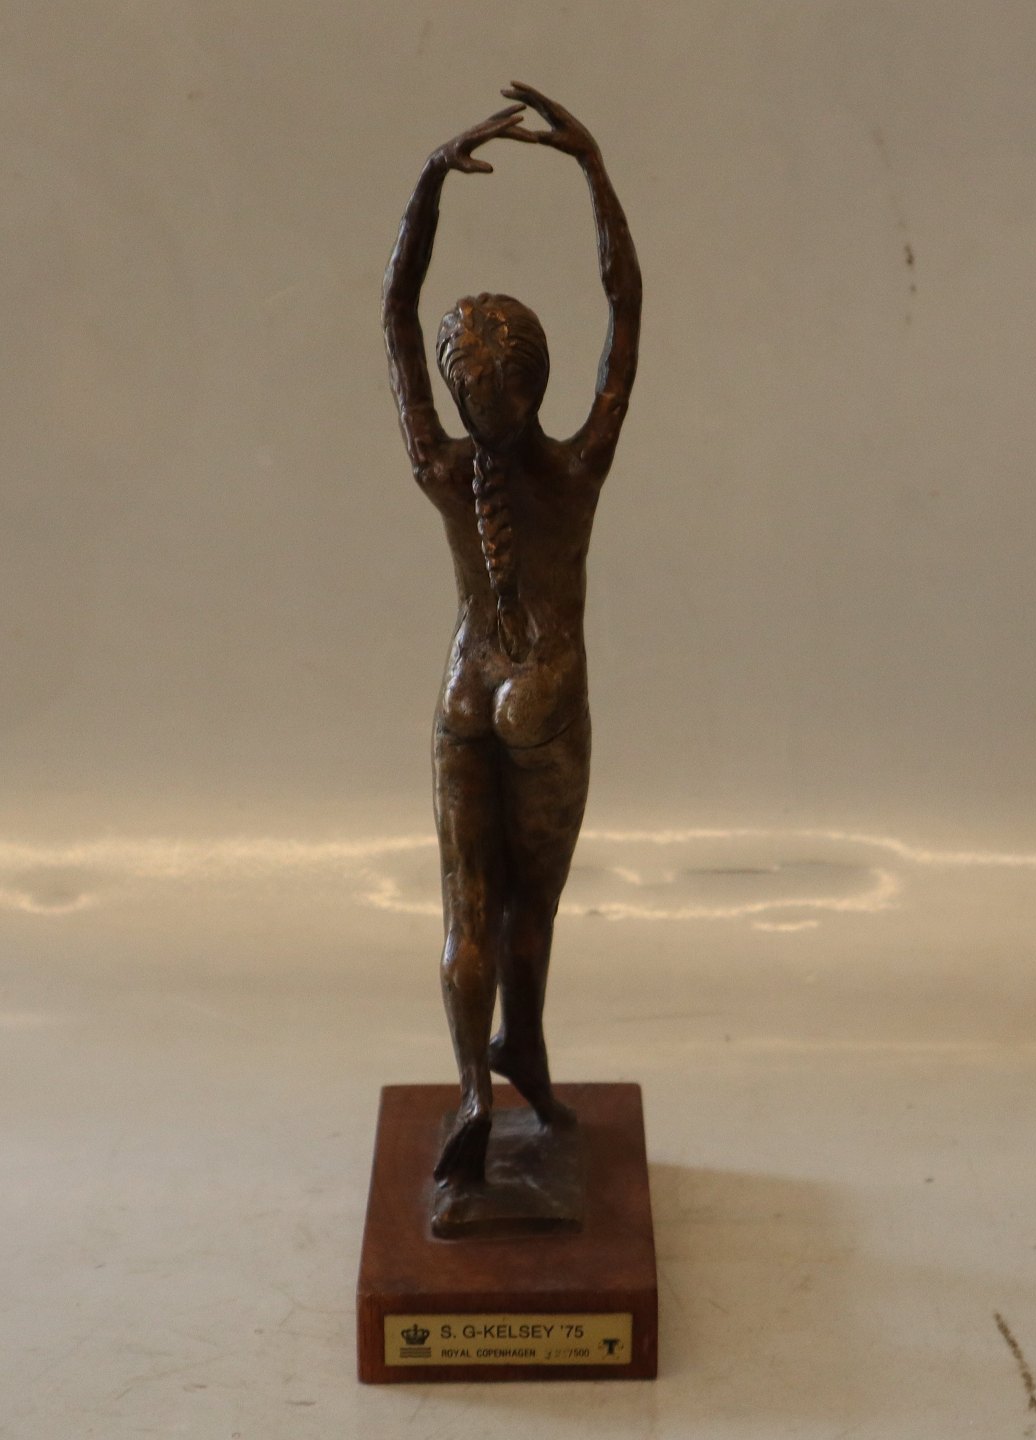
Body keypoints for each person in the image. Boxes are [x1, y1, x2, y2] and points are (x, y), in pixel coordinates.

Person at [382, 82, 641, 1188]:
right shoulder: (575, 469)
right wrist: (591, 170)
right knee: (532, 902)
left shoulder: (441, 468)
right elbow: (625, 310)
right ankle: (521, 1044)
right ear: (536, 382)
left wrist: (427, 186)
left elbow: (397, 315)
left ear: (458, 389)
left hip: (463, 689)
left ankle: (475, 1091)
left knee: (467, 908)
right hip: (543, 692)